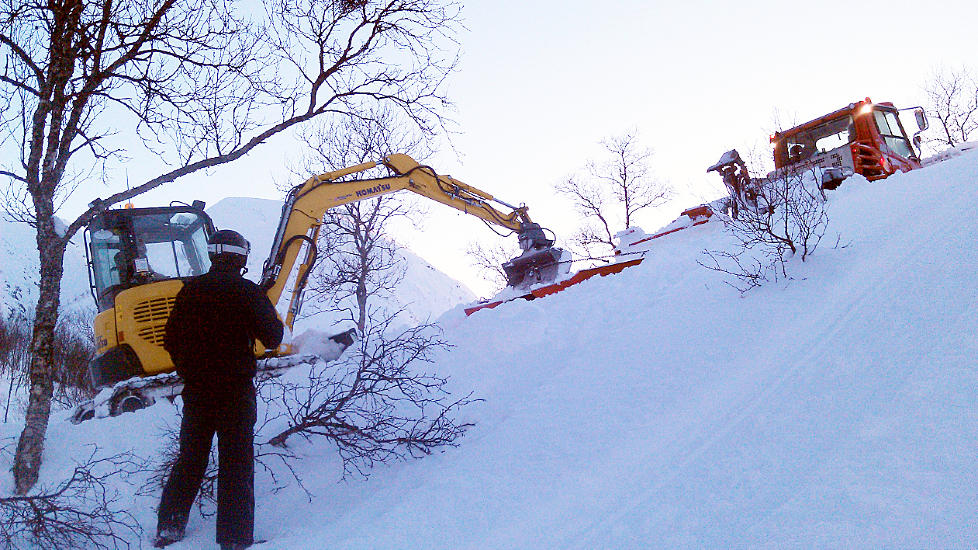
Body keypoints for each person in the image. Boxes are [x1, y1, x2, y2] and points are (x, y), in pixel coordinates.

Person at [155, 229, 283, 550]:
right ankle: (235, 540)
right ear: (240, 257)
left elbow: (170, 340)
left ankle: (169, 530)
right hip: (235, 393)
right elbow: (273, 338)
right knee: (236, 463)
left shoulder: (190, 291)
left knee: (190, 459)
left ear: (213, 254)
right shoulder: (248, 292)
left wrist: (191, 371)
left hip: (197, 392)